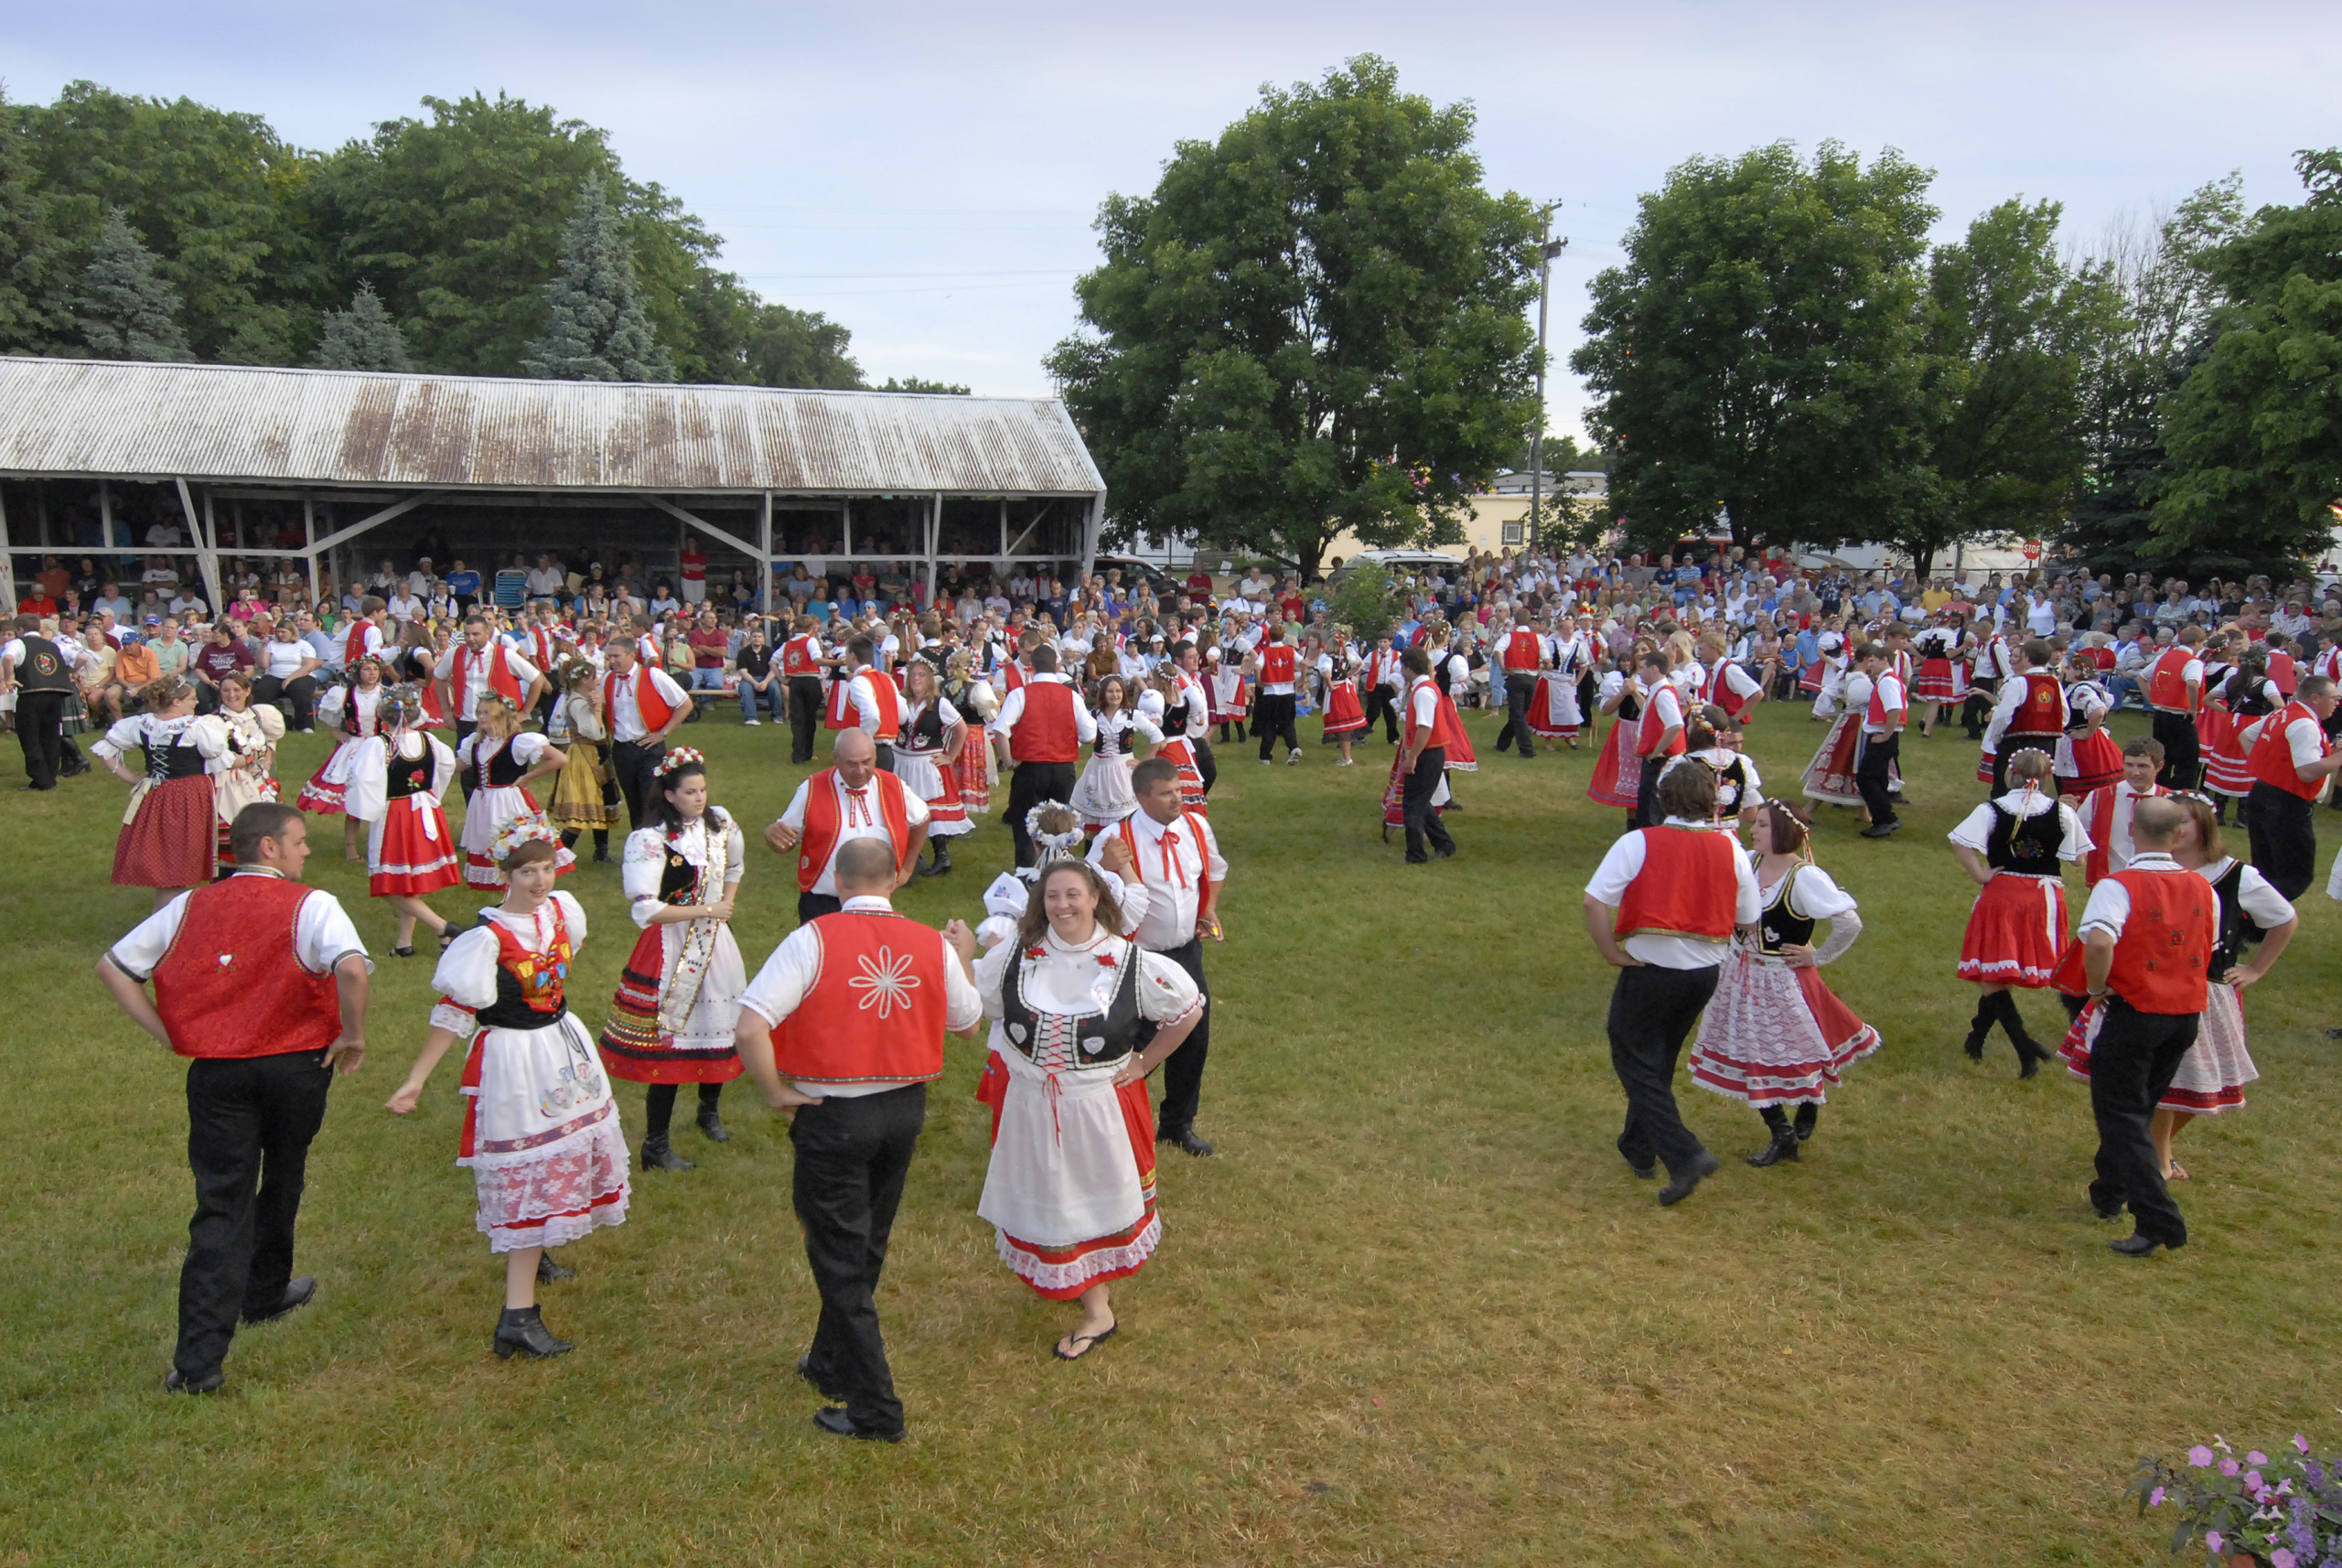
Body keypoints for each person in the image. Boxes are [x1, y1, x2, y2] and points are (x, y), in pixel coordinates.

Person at [96, 802, 371, 1393]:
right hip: (296, 1066)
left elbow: (114, 967)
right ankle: (265, 1290)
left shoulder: (190, 904)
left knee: (222, 1204)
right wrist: (353, 1034)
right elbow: (351, 969)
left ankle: (199, 1363)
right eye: (298, 841)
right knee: (285, 1170)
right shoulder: (313, 904)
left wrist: (169, 1034)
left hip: (218, 1071)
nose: (306, 851)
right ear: (268, 847)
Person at [731, 838, 984, 1442]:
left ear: (838, 882)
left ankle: (876, 1407)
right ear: (896, 879)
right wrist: (965, 956)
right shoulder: (930, 943)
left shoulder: (812, 939)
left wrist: (775, 1093)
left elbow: (749, 1026)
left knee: (838, 1257)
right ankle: (830, 1361)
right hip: (903, 1110)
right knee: (866, 1242)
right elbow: (970, 1022)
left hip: (833, 1112)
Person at [386, 817, 626, 1355]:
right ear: (506, 874)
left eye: (546, 868)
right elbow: (455, 1011)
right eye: (528, 872)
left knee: (564, 1154)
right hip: (515, 1059)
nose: (541, 881)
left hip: (561, 1046)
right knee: (531, 1168)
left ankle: (537, 1252)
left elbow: (558, 966)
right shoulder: (485, 939)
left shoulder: (562, 912)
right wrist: (415, 1081)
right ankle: (516, 1318)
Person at [956, 854, 1202, 1359]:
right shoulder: (1017, 956)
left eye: (1073, 894)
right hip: (1031, 1106)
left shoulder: (1131, 963)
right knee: (1049, 1199)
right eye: (1052, 896)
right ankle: (1085, 1294)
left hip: (1094, 1111)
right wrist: (961, 958)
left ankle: (1097, 1310)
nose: (1062, 904)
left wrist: (1144, 1062)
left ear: (1095, 898)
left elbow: (1187, 1009)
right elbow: (978, 1010)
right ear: (1039, 904)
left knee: (1086, 1204)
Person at [2059, 792, 2294, 1182]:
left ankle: (2144, 1153)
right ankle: (2148, 1157)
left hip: (2203, 990)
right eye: (2174, 821)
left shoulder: (2234, 875)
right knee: (2150, 1083)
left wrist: (2255, 968)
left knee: (2191, 1086)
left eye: (2185, 821)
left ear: (2204, 826)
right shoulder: (2146, 871)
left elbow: (2285, 918)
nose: (2178, 829)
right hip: (2144, 988)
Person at [1582, 763, 1760, 1207]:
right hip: (1703, 974)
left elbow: (1593, 901)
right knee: (1657, 1057)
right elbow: (1749, 917)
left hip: (1649, 968)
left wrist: (1610, 953)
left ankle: (1684, 1153)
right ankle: (1639, 1147)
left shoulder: (1638, 842)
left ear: (1663, 799)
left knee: (1632, 1054)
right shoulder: (1730, 848)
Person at [1686, 800, 1878, 1166]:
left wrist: (1816, 956)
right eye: (1755, 824)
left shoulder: (1804, 877)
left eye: (1761, 825)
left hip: (1781, 978)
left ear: (1782, 832)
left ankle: (1795, 1121)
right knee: (1755, 1050)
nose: (1752, 830)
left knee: (1786, 1048)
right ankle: (1788, 1128)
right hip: (1742, 972)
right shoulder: (1749, 861)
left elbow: (1849, 922)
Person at [2068, 798, 2217, 1257]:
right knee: (2139, 1107)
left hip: (2137, 1011)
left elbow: (2098, 942)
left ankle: (2159, 1221)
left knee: (2121, 1115)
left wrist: (2096, 988)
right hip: (2186, 1014)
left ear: (2132, 830)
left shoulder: (2120, 885)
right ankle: (2108, 1192)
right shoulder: (2202, 887)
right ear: (2177, 836)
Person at [597, 749, 748, 1172]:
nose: (699, 798)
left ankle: (708, 1110)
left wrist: (724, 906)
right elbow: (645, 911)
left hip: (716, 941)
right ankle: (656, 1144)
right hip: (670, 946)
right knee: (671, 1042)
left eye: (702, 789)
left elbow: (734, 866)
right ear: (669, 794)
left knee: (719, 1026)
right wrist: (705, 911)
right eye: (689, 792)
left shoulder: (719, 822)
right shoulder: (650, 840)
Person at [1090, 757, 1228, 1158]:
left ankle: (1177, 1125)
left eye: (1179, 790)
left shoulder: (1196, 827)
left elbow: (1215, 870)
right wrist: (1104, 865)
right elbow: (1090, 893)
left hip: (1186, 953)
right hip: (1136, 958)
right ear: (1142, 797)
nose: (1177, 799)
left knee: (1193, 1039)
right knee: (1129, 1042)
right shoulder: (1116, 837)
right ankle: (1110, 1122)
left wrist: (1209, 908)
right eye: (1166, 793)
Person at [1948, 748, 2088, 1075]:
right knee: (1997, 971)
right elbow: (2077, 859)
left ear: (2012, 774)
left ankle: (2023, 1045)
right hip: (2044, 898)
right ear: (2047, 777)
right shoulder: (2060, 812)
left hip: (2004, 893)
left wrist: (1980, 874)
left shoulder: (1992, 809)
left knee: (1992, 970)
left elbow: (1959, 840)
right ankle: (1976, 1039)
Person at [91, 678, 232, 907]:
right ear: (176, 702)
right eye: (192, 698)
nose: (196, 701)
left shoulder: (143, 724)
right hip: (189, 795)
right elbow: (219, 758)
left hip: (157, 794)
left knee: (168, 859)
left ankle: (167, 917)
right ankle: (169, 923)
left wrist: (133, 779)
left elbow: (106, 751)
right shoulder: (197, 727)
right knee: (181, 860)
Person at [344, 685, 462, 957]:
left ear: (383, 714)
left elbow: (362, 779)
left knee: (388, 883)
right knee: (406, 880)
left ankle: (444, 927)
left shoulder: (378, 744)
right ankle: (403, 944)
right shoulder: (430, 741)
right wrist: (431, 794)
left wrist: (368, 808)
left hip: (395, 814)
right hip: (424, 811)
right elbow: (446, 767)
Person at [764, 729, 929, 923]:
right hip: (823, 903)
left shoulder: (892, 785)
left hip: (877, 902)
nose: (860, 771)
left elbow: (922, 818)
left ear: (876, 756)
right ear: (835, 759)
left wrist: (908, 868)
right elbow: (785, 840)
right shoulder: (812, 788)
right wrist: (772, 836)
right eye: (851, 764)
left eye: (866, 762)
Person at [990, 645, 1096, 868]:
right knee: (1060, 823)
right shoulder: (1072, 696)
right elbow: (1090, 734)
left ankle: (1026, 871)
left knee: (1025, 823)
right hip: (1063, 766)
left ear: (1032, 666)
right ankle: (1058, 868)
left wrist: (1009, 762)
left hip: (1030, 766)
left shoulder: (1020, 694)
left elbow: (1000, 730)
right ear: (1057, 666)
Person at [455, 695, 575, 888]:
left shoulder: (517, 742)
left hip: (506, 800)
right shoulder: (477, 742)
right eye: (479, 713)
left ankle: (517, 881)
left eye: (486, 712)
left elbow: (559, 759)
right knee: (488, 841)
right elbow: (460, 764)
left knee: (513, 843)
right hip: (483, 801)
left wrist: (528, 777)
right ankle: (502, 884)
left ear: (500, 715)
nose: (481, 717)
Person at [2240, 674, 2342, 901]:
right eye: (2334, 698)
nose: (2337, 703)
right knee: (2297, 874)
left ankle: (2258, 923)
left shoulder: (2283, 712)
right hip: (2287, 802)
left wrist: (2270, 767)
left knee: (2266, 867)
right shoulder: (2305, 723)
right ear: (2316, 698)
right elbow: (2307, 772)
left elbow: (2247, 737)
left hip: (2263, 793)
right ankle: (2252, 915)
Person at [299, 657, 392, 860]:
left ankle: (384, 846)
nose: (372, 673)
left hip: (381, 748)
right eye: (367, 669)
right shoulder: (344, 694)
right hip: (356, 748)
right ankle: (351, 849)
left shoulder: (387, 694)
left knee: (387, 798)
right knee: (354, 799)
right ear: (358, 672)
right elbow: (329, 715)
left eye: (375, 669)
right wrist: (337, 732)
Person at [601, 636, 691, 832]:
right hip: (622, 750)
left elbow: (685, 704)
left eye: (616, 656)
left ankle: (659, 843)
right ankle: (639, 845)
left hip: (650, 748)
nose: (612, 661)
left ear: (632, 655)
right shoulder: (607, 679)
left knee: (651, 801)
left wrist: (662, 733)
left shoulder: (653, 675)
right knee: (633, 802)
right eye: (609, 657)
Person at [894, 660, 973, 878]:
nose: (917, 679)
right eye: (913, 675)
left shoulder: (940, 704)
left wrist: (949, 757)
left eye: (921, 675)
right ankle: (911, 855)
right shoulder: (901, 700)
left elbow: (961, 729)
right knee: (902, 809)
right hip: (900, 760)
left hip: (925, 764)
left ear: (930, 679)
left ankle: (942, 857)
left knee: (931, 812)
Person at [435, 615, 547, 755]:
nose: (471, 639)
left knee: (498, 769)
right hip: (466, 722)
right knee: (466, 767)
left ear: (487, 633)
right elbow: (439, 677)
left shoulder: (504, 654)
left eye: (476, 634)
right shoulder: (454, 653)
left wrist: (525, 712)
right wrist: (446, 711)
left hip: (498, 722)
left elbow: (536, 678)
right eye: (467, 634)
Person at [546, 660, 620, 865]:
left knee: (601, 802)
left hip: (596, 753)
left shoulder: (582, 697)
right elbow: (593, 731)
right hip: (585, 754)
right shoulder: (578, 702)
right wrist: (597, 709)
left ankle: (601, 852)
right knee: (582, 808)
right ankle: (556, 857)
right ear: (584, 679)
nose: (596, 680)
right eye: (593, 676)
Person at [1392, 646, 1459, 864]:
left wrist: (1412, 756)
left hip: (1426, 754)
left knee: (1412, 805)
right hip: (1428, 752)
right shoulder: (1425, 688)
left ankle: (1415, 854)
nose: (1401, 671)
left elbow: (1425, 727)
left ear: (1410, 667)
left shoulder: (1423, 692)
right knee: (1422, 802)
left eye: (1403, 667)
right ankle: (1444, 843)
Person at [1979, 639, 2069, 797]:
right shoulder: (2054, 682)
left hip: (2018, 741)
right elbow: (2065, 714)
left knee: (2007, 783)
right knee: (2038, 784)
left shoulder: (2019, 682)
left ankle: (2006, 815)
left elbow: (2004, 714)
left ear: (2026, 658)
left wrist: (1996, 737)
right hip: (2046, 743)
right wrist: (2050, 727)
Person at [1069, 671, 1159, 830]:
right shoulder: (1093, 716)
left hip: (1122, 770)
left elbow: (1157, 737)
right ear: (1103, 693)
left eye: (1118, 691)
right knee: (1093, 825)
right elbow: (1077, 740)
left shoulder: (1133, 715)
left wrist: (1143, 763)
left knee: (1124, 820)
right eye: (1110, 691)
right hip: (1098, 769)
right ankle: (1094, 853)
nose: (1114, 695)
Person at [2073, 738, 2169, 886]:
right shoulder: (2099, 797)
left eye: (2143, 766)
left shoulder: (2170, 800)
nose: (2135, 772)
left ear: (2159, 766)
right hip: (2109, 881)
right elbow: (2078, 836)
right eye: (2129, 765)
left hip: (2157, 882)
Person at [3, 610, 75, 790]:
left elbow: (8, 657)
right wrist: (69, 674)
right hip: (56, 694)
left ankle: (40, 780)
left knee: (30, 736)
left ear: (20, 629)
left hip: (31, 694)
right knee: (51, 735)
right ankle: (51, 777)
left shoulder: (18, 643)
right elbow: (81, 658)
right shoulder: (53, 645)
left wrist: (8, 678)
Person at [1850, 643, 1906, 838]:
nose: (1869, 664)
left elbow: (1895, 710)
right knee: (1878, 778)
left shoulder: (1888, 682)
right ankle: (1884, 818)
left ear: (1885, 660)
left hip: (1882, 737)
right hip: (1882, 735)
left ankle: (1885, 819)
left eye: (1873, 660)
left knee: (1866, 778)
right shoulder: (1886, 680)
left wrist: (1886, 735)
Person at [2143, 627, 2207, 790]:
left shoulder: (2164, 656)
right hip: (2180, 715)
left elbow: (2141, 677)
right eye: (2202, 644)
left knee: (2163, 756)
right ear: (2196, 642)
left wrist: (2152, 698)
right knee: (2188, 759)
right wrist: (2193, 707)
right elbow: (2192, 683)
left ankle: (2160, 788)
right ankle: (2181, 792)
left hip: (2160, 714)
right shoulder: (2192, 661)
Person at [1630, 648, 1687, 829]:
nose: (1640, 673)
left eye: (1642, 668)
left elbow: (1676, 725)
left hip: (1661, 760)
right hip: (1658, 758)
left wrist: (1656, 751)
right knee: (1647, 801)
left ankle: (1651, 840)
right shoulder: (1657, 691)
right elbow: (1649, 712)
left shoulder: (1663, 694)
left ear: (1654, 668)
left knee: (1652, 805)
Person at [1492, 614, 1546, 758]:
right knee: (1520, 713)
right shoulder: (1538, 638)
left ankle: (1527, 748)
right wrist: (1544, 665)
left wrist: (1503, 667)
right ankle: (1502, 744)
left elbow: (1497, 650)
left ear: (1515, 622)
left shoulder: (1509, 636)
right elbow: (1546, 658)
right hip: (1531, 679)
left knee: (1518, 715)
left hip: (1515, 677)